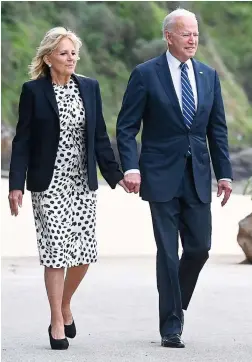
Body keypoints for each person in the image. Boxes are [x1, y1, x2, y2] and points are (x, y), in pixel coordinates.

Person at [115, 8, 233, 348]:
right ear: (169, 37)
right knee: (167, 251)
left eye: (195, 33)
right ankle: (171, 325)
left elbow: (217, 130)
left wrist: (224, 173)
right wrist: (131, 167)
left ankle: (174, 305)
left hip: (197, 174)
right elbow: (126, 127)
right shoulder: (145, 74)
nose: (193, 39)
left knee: (200, 248)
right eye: (186, 33)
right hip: (159, 173)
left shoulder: (209, 76)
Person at [8, 27, 128, 350]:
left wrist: (116, 176)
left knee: (84, 254)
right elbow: (23, 141)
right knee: (56, 253)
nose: (71, 57)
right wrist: (15, 185)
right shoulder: (33, 92)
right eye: (64, 53)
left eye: (74, 52)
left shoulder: (89, 88)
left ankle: (65, 303)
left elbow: (100, 137)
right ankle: (56, 320)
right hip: (48, 184)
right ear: (49, 58)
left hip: (82, 182)